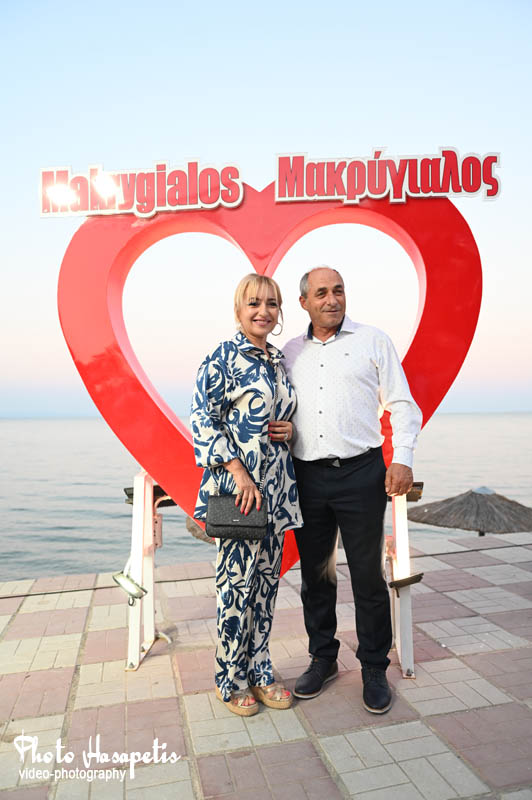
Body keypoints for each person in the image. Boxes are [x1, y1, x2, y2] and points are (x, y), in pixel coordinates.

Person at [283, 266, 422, 714]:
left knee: (367, 576)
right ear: (304, 302)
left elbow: (402, 404)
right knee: (316, 576)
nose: (332, 299)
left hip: (362, 473)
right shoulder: (288, 353)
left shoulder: (373, 340)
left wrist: (402, 457)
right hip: (307, 476)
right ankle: (323, 658)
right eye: (322, 292)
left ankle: (374, 667)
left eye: (338, 290)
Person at [191, 273, 302, 716]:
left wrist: (290, 430)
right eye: (254, 303)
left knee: (266, 587)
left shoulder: (279, 361)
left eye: (271, 303)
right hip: (240, 493)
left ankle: (260, 671)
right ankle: (230, 679)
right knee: (235, 589)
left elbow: (282, 417)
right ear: (238, 310)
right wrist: (239, 472)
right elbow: (202, 419)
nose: (263, 311)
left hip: (275, 492)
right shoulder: (222, 358)